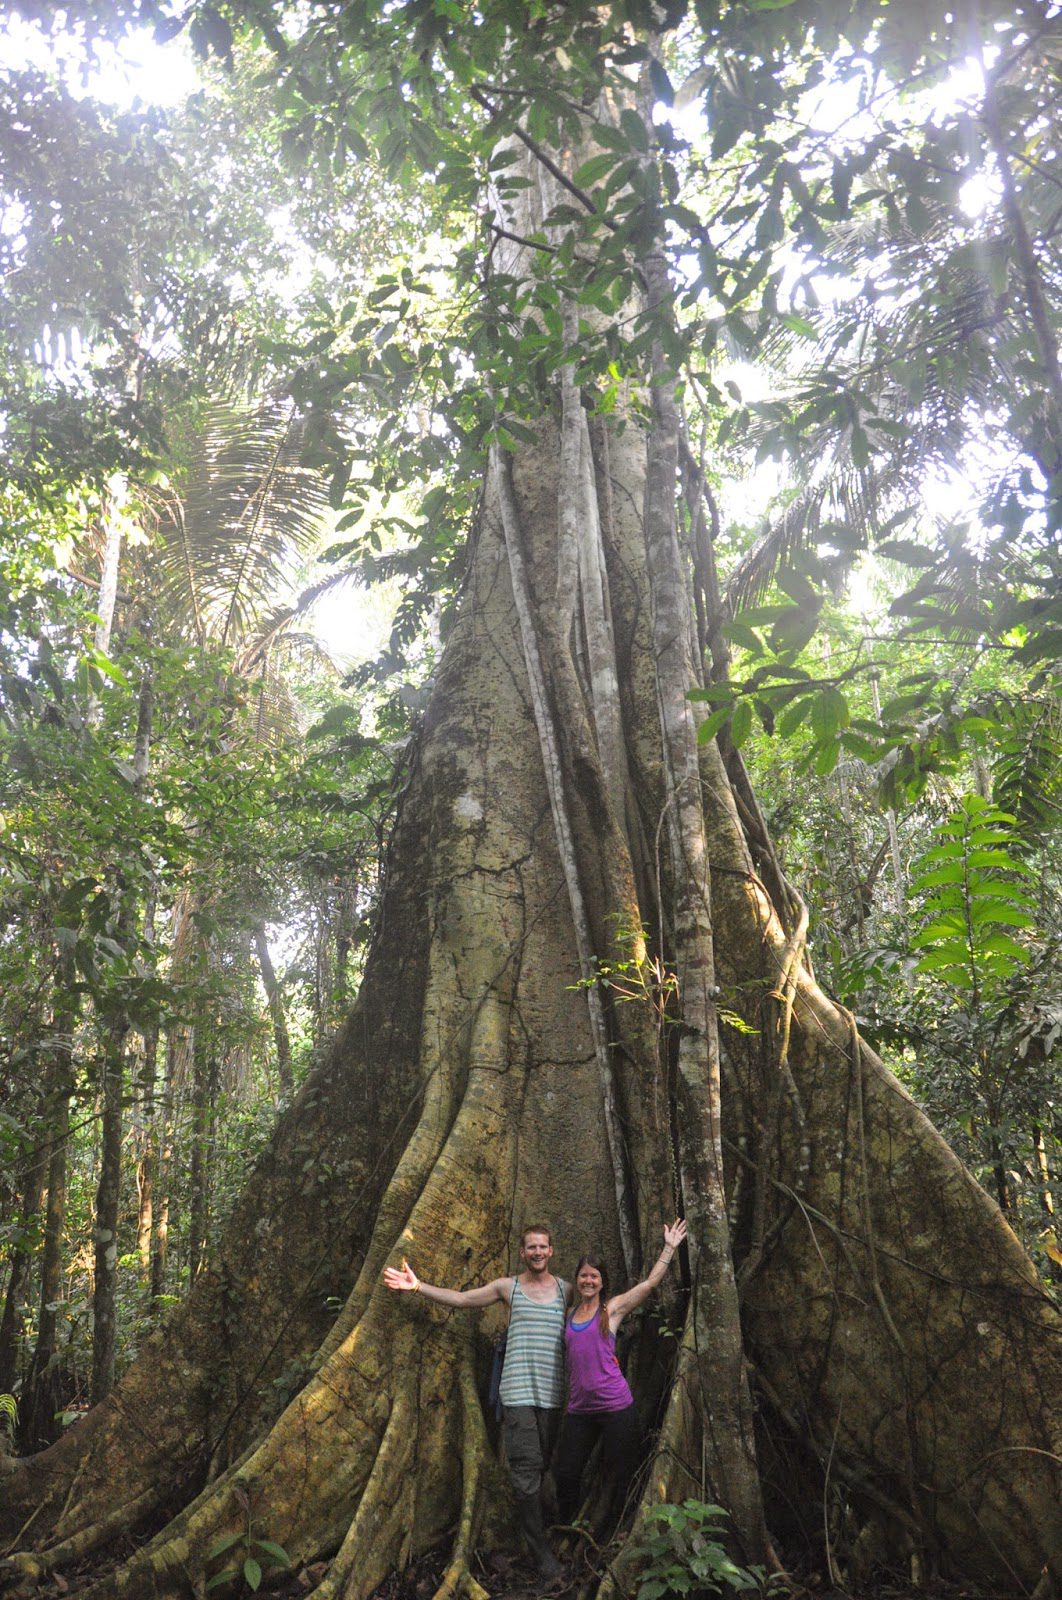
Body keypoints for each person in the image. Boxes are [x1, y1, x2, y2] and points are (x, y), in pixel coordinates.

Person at [383, 1225, 568, 1582]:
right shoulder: (508, 1287)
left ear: (552, 1251)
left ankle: (552, 1535)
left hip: (554, 1396)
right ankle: (541, 1553)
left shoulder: (566, 1290)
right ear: (522, 1252)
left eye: (543, 1247)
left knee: (550, 1467)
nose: (537, 1252)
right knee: (526, 1473)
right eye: (531, 1247)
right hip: (518, 1395)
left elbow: (595, 1314)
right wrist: (418, 1287)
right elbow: (464, 1299)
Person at [553, 1219, 687, 1527]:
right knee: (566, 1471)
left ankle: (617, 1531)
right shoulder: (569, 1315)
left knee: (622, 1471)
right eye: (583, 1276)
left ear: (602, 1282)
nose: (588, 1281)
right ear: (577, 1279)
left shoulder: (610, 1310)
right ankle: (568, 1525)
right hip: (579, 1410)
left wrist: (669, 1248)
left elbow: (648, 1285)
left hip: (615, 1406)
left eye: (594, 1276)